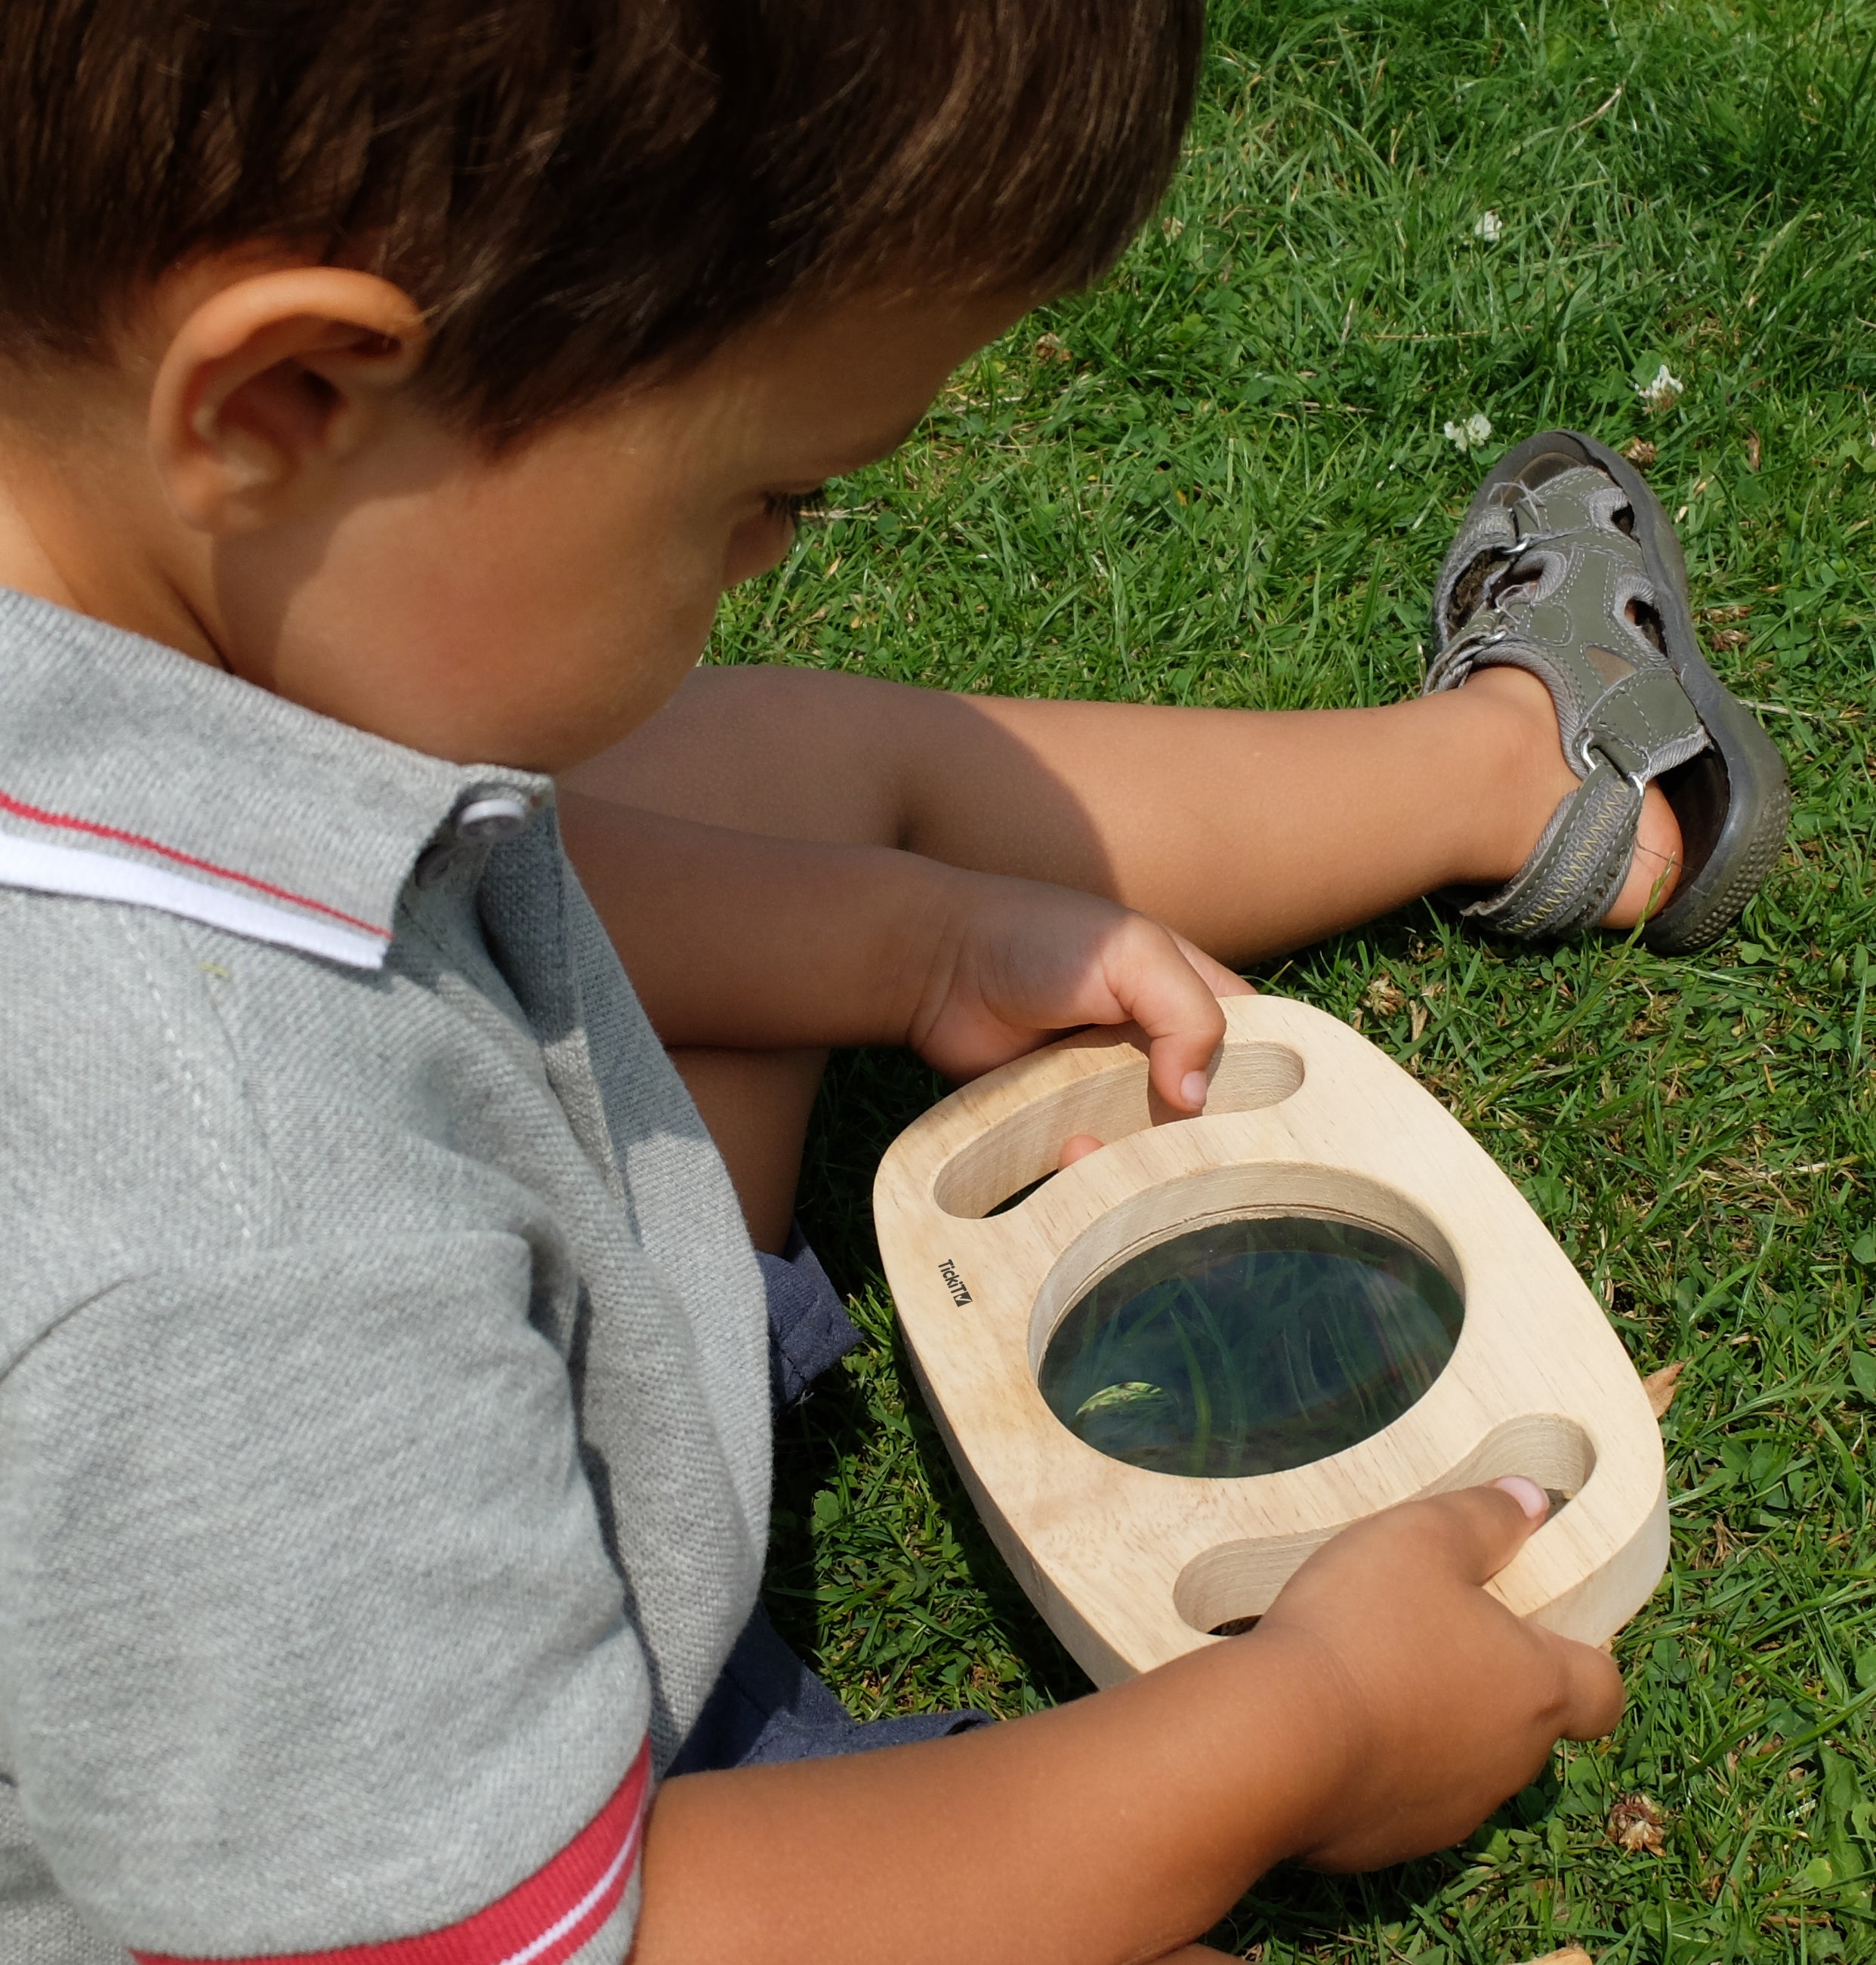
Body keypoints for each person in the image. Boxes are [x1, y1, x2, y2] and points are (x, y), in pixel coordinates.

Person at [0, 5, 1783, 1963]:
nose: (765, 558)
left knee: (748, 774)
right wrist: (1309, 1725)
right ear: (277, 407)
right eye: (757, 497)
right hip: (498, 1817)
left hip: (393, 1493)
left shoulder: (102, 553)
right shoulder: (248, 1261)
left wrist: (904, 933)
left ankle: (1513, 784)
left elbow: (446, 873)